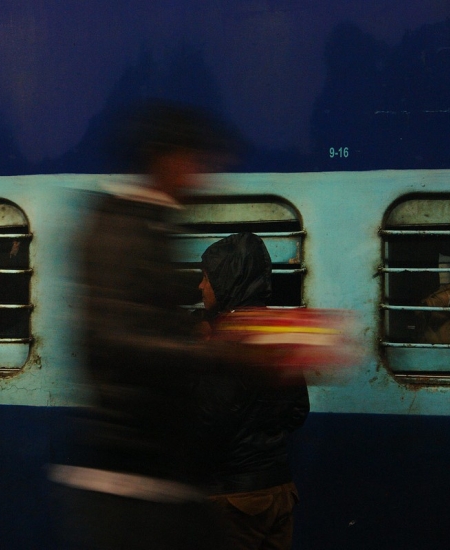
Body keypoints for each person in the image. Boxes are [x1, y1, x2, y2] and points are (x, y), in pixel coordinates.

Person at [49, 100, 247, 550]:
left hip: (157, 478)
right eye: (198, 159)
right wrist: (219, 352)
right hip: (131, 482)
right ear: (166, 159)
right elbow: (114, 339)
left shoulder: (147, 226)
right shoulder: (124, 230)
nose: (205, 174)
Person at [195, 232, 310, 550]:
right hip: (279, 493)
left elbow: (208, 422)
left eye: (205, 278)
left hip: (235, 500)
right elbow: (298, 411)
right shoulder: (278, 337)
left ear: (225, 279)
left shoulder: (223, 345)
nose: (200, 287)